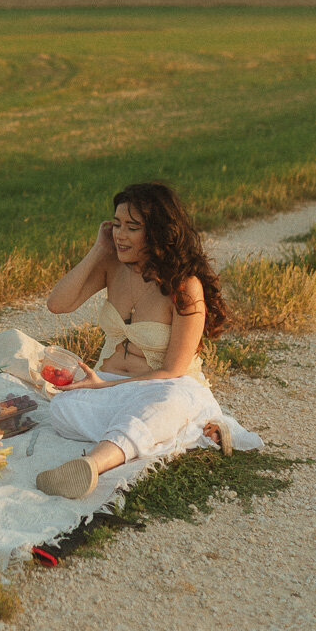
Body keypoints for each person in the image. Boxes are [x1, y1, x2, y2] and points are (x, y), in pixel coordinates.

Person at [36, 181, 230, 500]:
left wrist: (101, 388)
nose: (120, 235)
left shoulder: (185, 286)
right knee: (61, 409)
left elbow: (172, 370)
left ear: (157, 233)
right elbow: (57, 304)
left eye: (132, 227)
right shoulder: (112, 265)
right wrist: (98, 250)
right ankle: (183, 432)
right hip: (108, 385)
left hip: (165, 387)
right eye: (116, 225)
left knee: (164, 406)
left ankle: (90, 466)